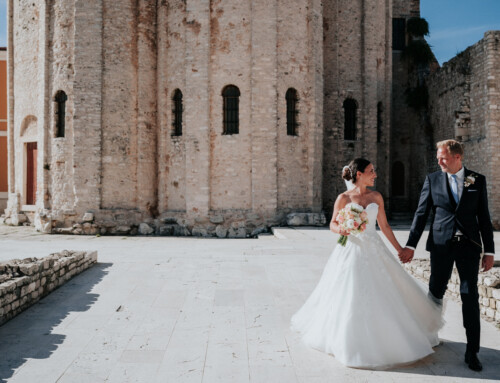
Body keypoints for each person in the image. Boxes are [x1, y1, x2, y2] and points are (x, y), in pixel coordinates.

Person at [291, 158, 443, 369]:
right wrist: (342, 229)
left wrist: (400, 249)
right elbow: (333, 223)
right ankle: (350, 342)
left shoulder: (376, 196)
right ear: (359, 174)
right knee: (349, 291)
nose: (375, 174)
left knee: (386, 291)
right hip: (351, 249)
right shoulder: (343, 198)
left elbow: (385, 226)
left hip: (374, 248)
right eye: (372, 171)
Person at [399, 139, 495, 372]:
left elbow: (483, 216)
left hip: (469, 247)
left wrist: (489, 250)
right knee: (435, 291)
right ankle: (429, 338)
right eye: (438, 157)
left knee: (469, 296)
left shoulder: (476, 179)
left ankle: (472, 352)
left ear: (457, 157)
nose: (439, 161)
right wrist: (410, 245)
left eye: (443, 157)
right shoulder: (432, 180)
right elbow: (421, 214)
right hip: (441, 245)